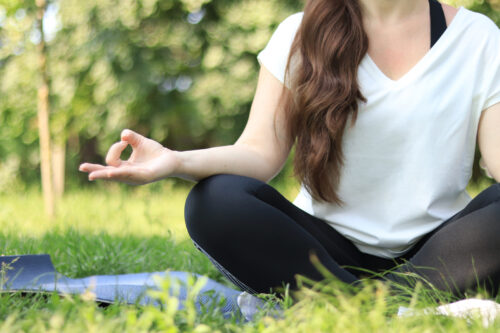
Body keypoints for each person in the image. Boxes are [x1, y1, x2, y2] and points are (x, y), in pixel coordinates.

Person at [80, 0, 500, 297]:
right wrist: (175, 161)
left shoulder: (478, 37)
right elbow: (260, 153)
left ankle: (361, 302)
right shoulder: (300, 33)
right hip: (322, 250)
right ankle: (394, 303)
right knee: (215, 200)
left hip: (445, 250)